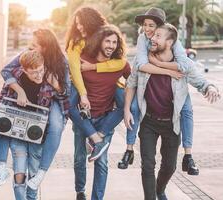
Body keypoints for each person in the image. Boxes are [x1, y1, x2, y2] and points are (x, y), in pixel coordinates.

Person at [124, 23, 221, 200]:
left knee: (169, 167)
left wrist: (211, 87)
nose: (152, 38)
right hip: (149, 122)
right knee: (148, 165)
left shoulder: (182, 66)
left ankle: (159, 190)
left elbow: (201, 81)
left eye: (158, 36)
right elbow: (131, 82)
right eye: (153, 35)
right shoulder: (144, 61)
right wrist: (126, 110)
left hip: (172, 124)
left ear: (169, 42)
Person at [118, 7, 199, 174]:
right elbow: (141, 65)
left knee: (186, 110)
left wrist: (160, 64)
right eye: (145, 25)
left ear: (161, 27)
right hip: (149, 82)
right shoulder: (143, 38)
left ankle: (188, 156)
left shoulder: (172, 40)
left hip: (174, 86)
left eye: (151, 26)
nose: (147, 29)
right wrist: (168, 70)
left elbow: (185, 65)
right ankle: (129, 149)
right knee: (133, 108)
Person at [0, 28, 70, 189]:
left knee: (56, 126)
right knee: (3, 118)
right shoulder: (28, 55)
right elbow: (6, 70)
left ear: (46, 46)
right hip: (31, 100)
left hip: (55, 97)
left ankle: (42, 172)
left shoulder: (61, 61)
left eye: (35, 44)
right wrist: (20, 91)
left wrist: (55, 84)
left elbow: (66, 92)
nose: (31, 46)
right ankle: (1, 167)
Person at [65, 6, 139, 162]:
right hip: (80, 82)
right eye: (76, 24)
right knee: (69, 105)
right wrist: (83, 94)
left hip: (110, 83)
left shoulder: (104, 37)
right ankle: (96, 139)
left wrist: (92, 67)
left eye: (82, 23)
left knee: (127, 103)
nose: (79, 27)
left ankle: (126, 147)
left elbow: (119, 64)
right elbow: (75, 70)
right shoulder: (76, 42)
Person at [72, 25, 130, 200]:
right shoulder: (83, 60)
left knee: (102, 163)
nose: (111, 45)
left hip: (105, 121)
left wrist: (126, 94)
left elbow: (134, 81)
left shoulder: (119, 64)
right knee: (79, 159)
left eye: (114, 42)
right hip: (83, 119)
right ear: (99, 41)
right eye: (108, 41)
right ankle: (80, 190)